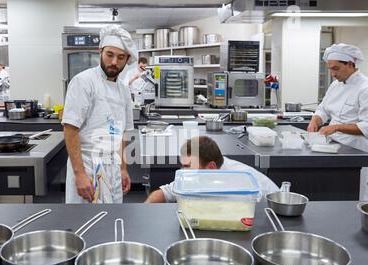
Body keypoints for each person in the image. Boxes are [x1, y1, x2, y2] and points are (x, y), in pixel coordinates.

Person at [61, 25, 137, 203]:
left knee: (110, 221)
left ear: (127, 60)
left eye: (120, 57)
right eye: (109, 55)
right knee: (85, 223)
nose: (113, 62)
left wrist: (123, 169)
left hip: (113, 168)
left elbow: (122, 133)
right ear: (100, 51)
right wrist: (80, 175)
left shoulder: (124, 91)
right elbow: (70, 129)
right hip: (87, 165)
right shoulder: (83, 82)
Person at [145, 136, 279, 203]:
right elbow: (166, 192)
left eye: (188, 166)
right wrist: (146, 206)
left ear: (211, 167)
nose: (183, 171)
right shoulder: (200, 173)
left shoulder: (238, 183)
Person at [307, 43, 368, 152]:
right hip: (332, 142)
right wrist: (315, 120)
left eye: (336, 68)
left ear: (350, 64)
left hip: (355, 148)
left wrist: (336, 127)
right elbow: (323, 109)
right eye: (330, 69)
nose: (333, 74)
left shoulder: (364, 88)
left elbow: (366, 125)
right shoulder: (336, 85)